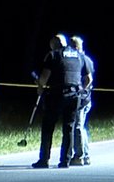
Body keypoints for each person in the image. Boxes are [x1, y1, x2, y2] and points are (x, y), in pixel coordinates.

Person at [32, 33, 89, 168]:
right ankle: (65, 161)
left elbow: (44, 78)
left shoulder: (53, 55)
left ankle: (44, 160)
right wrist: (81, 91)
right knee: (69, 128)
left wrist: (39, 85)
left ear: (53, 45)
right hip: (75, 96)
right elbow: (88, 79)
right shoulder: (79, 55)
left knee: (48, 127)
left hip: (56, 95)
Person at [69, 35, 96, 166]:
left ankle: (79, 156)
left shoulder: (83, 59)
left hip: (82, 99)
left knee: (77, 126)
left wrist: (80, 91)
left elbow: (89, 79)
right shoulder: (86, 59)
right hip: (86, 98)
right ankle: (86, 155)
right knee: (82, 127)